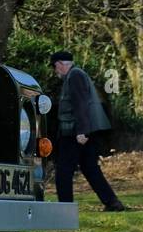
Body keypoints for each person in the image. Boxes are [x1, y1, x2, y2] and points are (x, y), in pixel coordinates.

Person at [50, 50, 125, 211]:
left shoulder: (75, 75)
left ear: (61, 64)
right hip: (81, 132)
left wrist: (82, 132)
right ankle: (112, 203)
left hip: (75, 133)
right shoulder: (75, 75)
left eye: (55, 66)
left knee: (63, 170)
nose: (55, 70)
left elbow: (81, 104)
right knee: (90, 168)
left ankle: (65, 208)